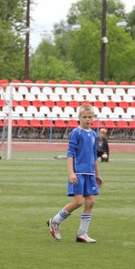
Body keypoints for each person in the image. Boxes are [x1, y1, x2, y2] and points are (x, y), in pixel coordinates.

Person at [47, 103, 104, 243]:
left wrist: (97, 174)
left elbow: (94, 156)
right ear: (79, 117)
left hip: (90, 174)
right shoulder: (76, 133)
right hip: (78, 172)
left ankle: (82, 234)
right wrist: (71, 173)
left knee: (90, 201)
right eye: (85, 117)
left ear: (93, 118)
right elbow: (70, 154)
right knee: (78, 201)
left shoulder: (94, 134)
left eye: (90, 117)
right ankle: (55, 221)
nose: (88, 120)